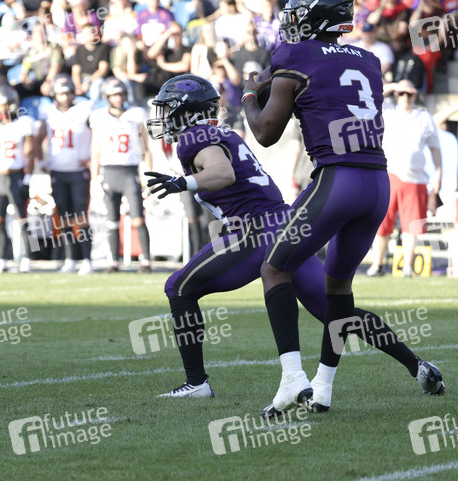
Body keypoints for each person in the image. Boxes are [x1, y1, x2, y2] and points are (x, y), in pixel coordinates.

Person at [146, 74, 444, 398]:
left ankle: (197, 383)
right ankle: (418, 366)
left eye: (169, 109)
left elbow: (223, 173)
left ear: (186, 110)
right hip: (286, 226)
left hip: (256, 229)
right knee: (335, 311)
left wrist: (183, 182)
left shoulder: (194, 137)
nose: (165, 117)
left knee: (179, 287)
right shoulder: (222, 133)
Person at [242, 0, 390, 415]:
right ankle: (323, 388)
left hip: (337, 180)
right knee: (339, 286)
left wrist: (250, 93)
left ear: (314, 18)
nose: (291, 22)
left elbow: (265, 133)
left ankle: (293, 378)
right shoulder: (369, 60)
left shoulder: (293, 55)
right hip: (377, 183)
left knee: (274, 268)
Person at [366, 80, 442, 277]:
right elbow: (372, 95)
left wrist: (437, 176)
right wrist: (394, 86)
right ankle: (378, 264)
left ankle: (407, 267)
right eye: (402, 94)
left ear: (416, 95)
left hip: (416, 178)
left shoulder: (423, 117)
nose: (405, 97)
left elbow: (435, 148)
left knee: (412, 226)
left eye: (409, 94)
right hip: (389, 175)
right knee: (382, 224)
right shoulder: (388, 111)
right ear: (396, 95)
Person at [90, 79, 152, 273]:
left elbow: (145, 147)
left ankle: (146, 261)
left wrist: (149, 174)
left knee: (138, 218)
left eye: (121, 94)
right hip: (109, 171)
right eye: (114, 95)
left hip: (129, 171)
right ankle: (113, 262)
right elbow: (95, 149)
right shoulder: (99, 117)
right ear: (107, 97)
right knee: (111, 221)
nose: (118, 98)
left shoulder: (136, 114)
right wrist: (94, 178)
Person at [36, 76, 93, 275]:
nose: (65, 97)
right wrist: (41, 161)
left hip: (78, 171)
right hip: (58, 172)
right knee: (65, 218)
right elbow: (38, 138)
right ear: (55, 95)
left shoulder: (84, 109)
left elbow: (98, 133)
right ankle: (70, 258)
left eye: (68, 93)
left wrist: (91, 158)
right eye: (61, 93)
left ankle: (87, 259)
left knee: (81, 217)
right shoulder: (48, 112)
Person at [0, 85, 37, 274]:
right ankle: (0, 259)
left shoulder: (23, 123)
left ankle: (27, 259)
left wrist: (28, 177)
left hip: (16, 175)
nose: (2, 109)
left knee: (22, 220)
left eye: (5, 105)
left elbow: (29, 152)